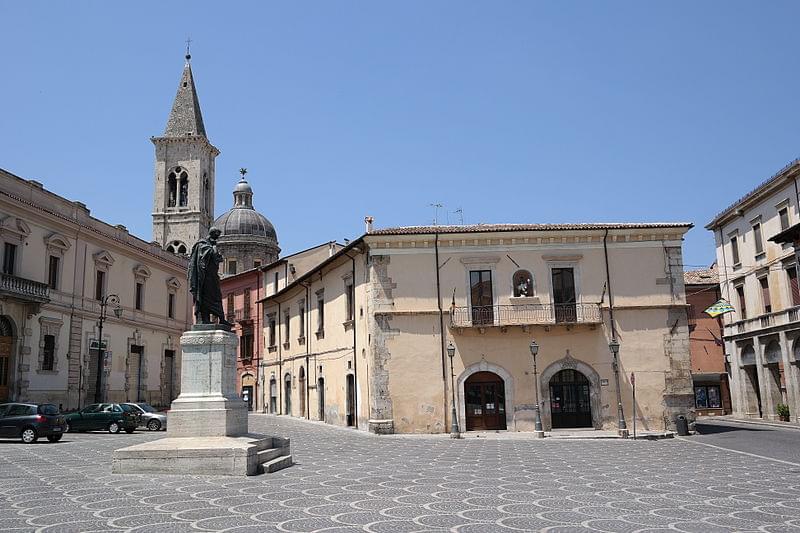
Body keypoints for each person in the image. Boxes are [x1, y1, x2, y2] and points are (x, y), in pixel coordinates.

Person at [188, 227, 231, 326]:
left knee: (216, 297)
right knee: (206, 298)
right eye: (217, 235)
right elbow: (205, 257)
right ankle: (205, 319)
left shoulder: (211, 245)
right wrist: (214, 248)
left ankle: (221, 318)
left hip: (213, 276)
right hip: (205, 277)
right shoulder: (202, 244)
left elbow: (218, 258)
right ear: (212, 233)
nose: (218, 238)